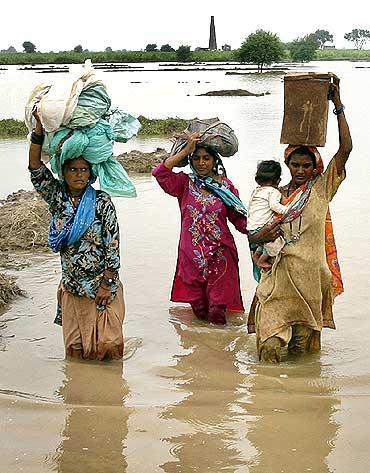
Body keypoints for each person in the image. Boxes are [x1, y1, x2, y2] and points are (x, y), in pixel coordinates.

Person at [248, 74, 352, 362]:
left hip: (309, 281)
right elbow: (253, 234)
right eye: (296, 164)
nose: (301, 170)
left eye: (307, 165)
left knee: (303, 354)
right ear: (288, 165)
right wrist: (261, 237)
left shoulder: (321, 190)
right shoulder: (272, 195)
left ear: (315, 167)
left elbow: (345, 150)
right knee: (268, 347)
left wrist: (338, 104)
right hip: (278, 279)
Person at [28, 112, 125, 360]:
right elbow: (36, 168)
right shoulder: (57, 197)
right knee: (76, 351)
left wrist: (107, 283)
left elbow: (112, 244)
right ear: (64, 171)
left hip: (101, 288)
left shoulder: (102, 201)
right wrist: (39, 132)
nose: (79, 174)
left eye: (84, 169)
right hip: (73, 287)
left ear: (91, 172)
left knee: (108, 347)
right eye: (73, 169)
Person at [152, 134, 249, 325]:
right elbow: (159, 173)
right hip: (191, 255)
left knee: (217, 311)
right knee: (199, 308)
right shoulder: (184, 184)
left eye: (206, 158)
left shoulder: (225, 186)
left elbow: (239, 219)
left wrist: (261, 233)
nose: (201, 163)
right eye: (196, 158)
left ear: (215, 160)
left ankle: (221, 351)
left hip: (220, 254)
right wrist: (186, 150)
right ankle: (201, 350)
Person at [247, 160, 292, 269]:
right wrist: (288, 210)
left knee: (263, 244)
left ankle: (257, 255)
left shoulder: (256, 191)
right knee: (275, 242)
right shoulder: (273, 191)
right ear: (278, 180)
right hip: (262, 227)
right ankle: (262, 260)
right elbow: (274, 205)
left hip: (252, 227)